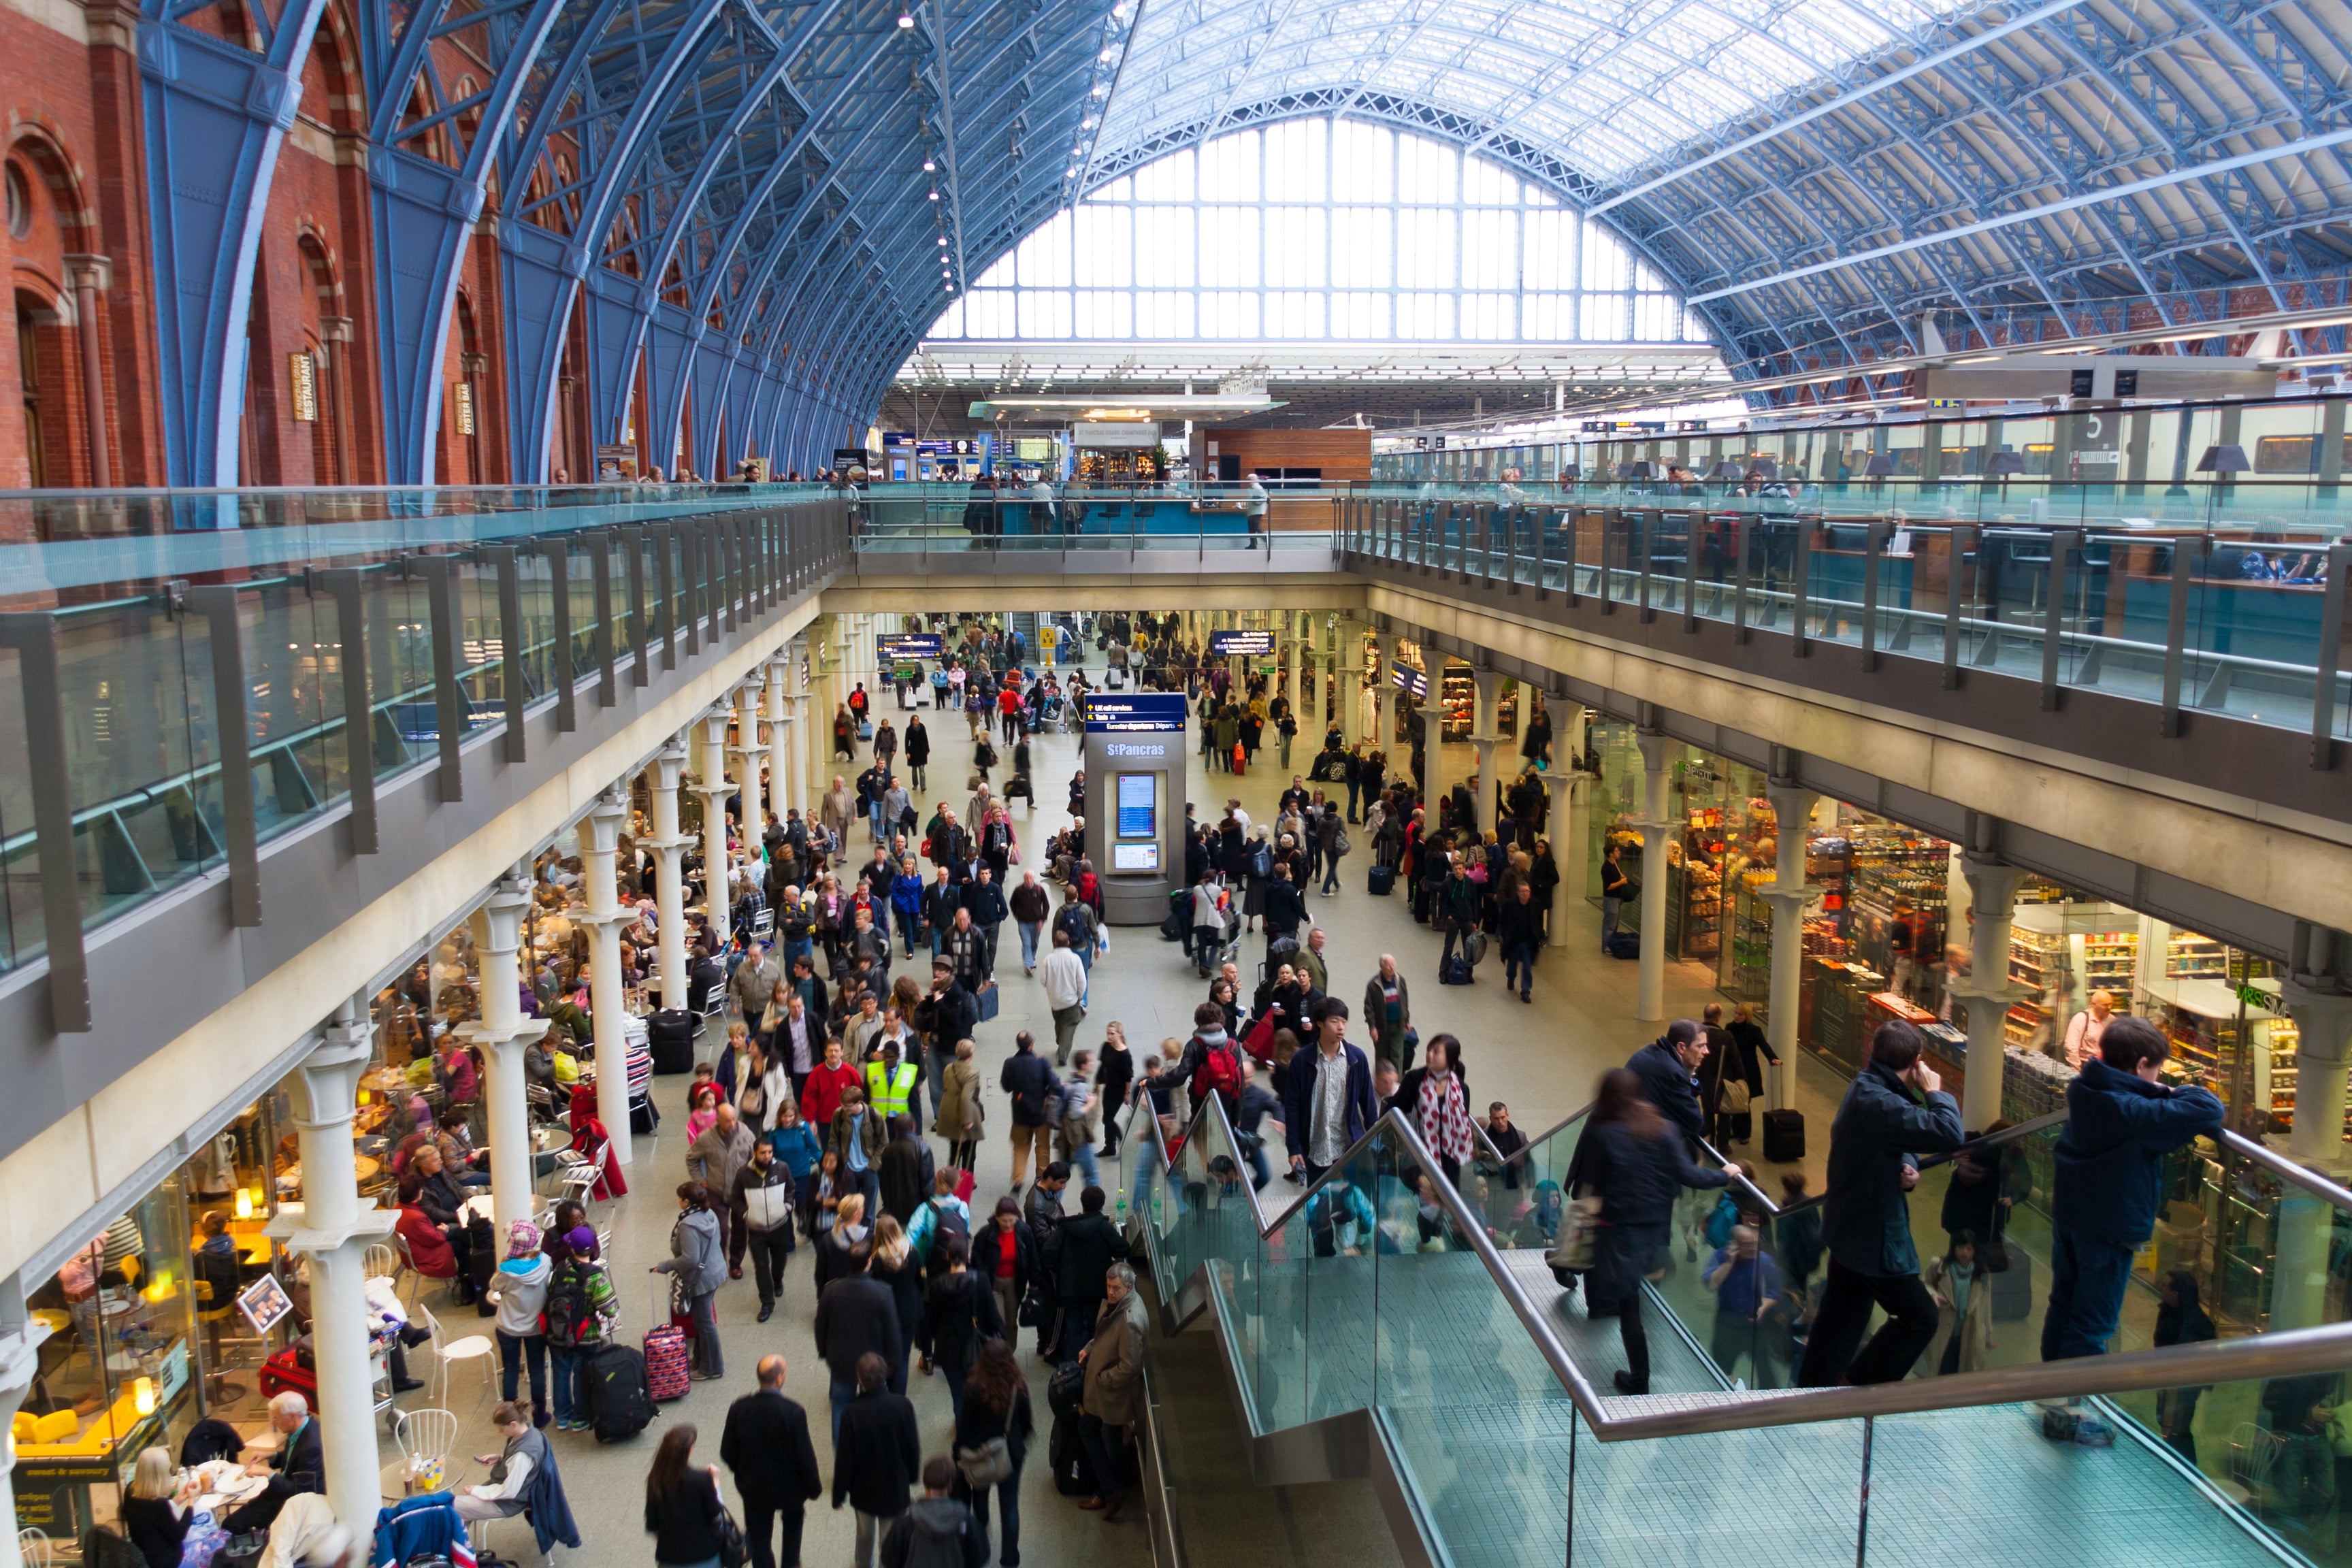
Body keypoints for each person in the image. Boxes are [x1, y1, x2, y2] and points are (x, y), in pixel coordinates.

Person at [2043, 1015, 2223, 1360]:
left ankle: (2048, 1390)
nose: (2159, 1078)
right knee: (2093, 1325)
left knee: (2063, 1303)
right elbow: (2208, 1107)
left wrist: (2149, 1090)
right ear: (2142, 1065)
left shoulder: (2084, 1087)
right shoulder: (2133, 1110)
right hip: (2110, 1226)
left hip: (2070, 1213)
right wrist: (2166, 1091)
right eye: (2157, 1070)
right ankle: (2071, 1401)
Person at [1797, 1021, 1965, 1388]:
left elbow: (1892, 1133)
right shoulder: (1879, 1101)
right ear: (1917, 1062)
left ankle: (1814, 1393)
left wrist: (1907, 1161)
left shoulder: (1867, 1088)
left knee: (1839, 1321)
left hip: (1848, 1229)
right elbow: (1949, 1133)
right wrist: (1935, 1092)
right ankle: (1857, 1389)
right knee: (1921, 1318)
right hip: (1872, 1237)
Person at [1573, 1066, 1730, 1394]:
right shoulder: (1664, 1128)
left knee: (1629, 1304)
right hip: (1654, 1229)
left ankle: (1639, 1377)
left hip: (1620, 1234)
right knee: (1632, 1300)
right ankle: (1640, 1372)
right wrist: (1725, 1174)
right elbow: (1690, 1174)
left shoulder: (1605, 1133)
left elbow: (1593, 1186)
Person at [721, 1354, 825, 1568]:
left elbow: (727, 1452)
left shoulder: (739, 1408)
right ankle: (791, 1562)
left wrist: (742, 1473)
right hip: (791, 1491)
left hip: (754, 1490)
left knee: (759, 1543)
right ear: (779, 1379)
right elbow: (805, 1457)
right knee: (793, 1527)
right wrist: (814, 1489)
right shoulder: (793, 1412)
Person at [455, 1399, 581, 1556]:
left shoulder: (522, 1455)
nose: (500, 1432)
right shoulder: (532, 1432)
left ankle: (457, 1553)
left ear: (513, 1424)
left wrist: (476, 1490)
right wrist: (501, 1458)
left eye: (502, 1429)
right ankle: (459, 1549)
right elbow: (522, 1467)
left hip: (507, 1502)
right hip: (511, 1492)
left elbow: (509, 1491)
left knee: (453, 1508)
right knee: (461, 1509)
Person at [834, 1352, 921, 1568]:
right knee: (890, 1538)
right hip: (895, 1486)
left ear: (859, 1380)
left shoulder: (852, 1413)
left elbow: (845, 1459)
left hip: (864, 1490)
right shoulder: (902, 1406)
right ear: (886, 1375)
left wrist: (839, 1494)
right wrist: (911, 1476)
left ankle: (863, 1564)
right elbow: (912, 1446)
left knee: (864, 1533)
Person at [951, 1337, 1032, 1566]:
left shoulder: (973, 1388)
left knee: (980, 1502)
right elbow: (1026, 1423)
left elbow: (964, 1428)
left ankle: (981, 1549)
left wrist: (957, 1452)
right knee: (1010, 1508)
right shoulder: (1019, 1386)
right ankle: (1010, 1559)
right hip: (1010, 1454)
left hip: (979, 1456)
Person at [1075, 1262, 1147, 1520]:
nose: (1111, 1292)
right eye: (1108, 1287)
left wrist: (1104, 1379)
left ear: (1129, 1287)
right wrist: (1091, 1347)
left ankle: (1111, 1491)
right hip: (1104, 1395)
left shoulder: (1131, 1321)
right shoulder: (1119, 1305)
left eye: (1116, 1288)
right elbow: (1105, 1335)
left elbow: (1130, 1366)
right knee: (1099, 1436)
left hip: (1112, 1396)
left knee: (1106, 1441)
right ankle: (1109, 1490)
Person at [815, 1243, 904, 1441]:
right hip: (874, 1364)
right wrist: (893, 1363)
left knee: (840, 1405)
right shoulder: (883, 1292)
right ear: (869, 1262)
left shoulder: (831, 1291)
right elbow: (892, 1331)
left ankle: (841, 1459)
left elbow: (820, 1326)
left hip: (841, 1362)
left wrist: (824, 1352)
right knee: (877, 1406)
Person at [1282, 999, 1377, 1183]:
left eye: (1344, 1022)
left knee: (1349, 1206)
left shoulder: (1356, 1059)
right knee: (1317, 1207)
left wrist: (1374, 1141)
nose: (1341, 1027)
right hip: (1315, 1149)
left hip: (1349, 1147)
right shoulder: (1302, 1061)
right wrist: (1293, 1148)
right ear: (1320, 1023)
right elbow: (1292, 1106)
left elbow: (1368, 1102)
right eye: (1334, 1022)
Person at [542, 1226, 619, 1431]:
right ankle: (580, 1418)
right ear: (592, 1248)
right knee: (581, 1374)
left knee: (560, 1371)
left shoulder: (559, 1269)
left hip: (558, 1331)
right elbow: (610, 1309)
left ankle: (562, 1417)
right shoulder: (595, 1277)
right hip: (585, 1335)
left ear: (571, 1248)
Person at [652, 1181, 728, 1381]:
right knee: (702, 1321)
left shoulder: (687, 1225)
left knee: (705, 1324)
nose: (678, 1201)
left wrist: (666, 1265)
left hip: (700, 1279)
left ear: (686, 1201)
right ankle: (701, 1360)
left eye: (680, 1198)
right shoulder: (708, 1214)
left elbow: (690, 1259)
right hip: (715, 1271)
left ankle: (712, 1368)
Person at [921, 1237, 1003, 1420]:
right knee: (981, 1393)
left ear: (947, 1256)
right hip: (977, 1348)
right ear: (967, 1255)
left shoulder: (937, 1285)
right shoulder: (980, 1280)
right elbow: (992, 1315)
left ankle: (962, 1431)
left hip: (948, 1349)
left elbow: (932, 1320)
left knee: (958, 1396)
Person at [218, 1391, 322, 1535]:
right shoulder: (302, 1428)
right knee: (236, 1518)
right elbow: (295, 1458)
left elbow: (300, 1492)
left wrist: (268, 1473)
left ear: (292, 1416)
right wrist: (270, 1455)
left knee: (230, 1525)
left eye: (277, 1418)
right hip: (279, 1492)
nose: (273, 1423)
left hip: (289, 1503)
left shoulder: (312, 1446)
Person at [481, 1221, 553, 1426]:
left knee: (511, 1370)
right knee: (537, 1370)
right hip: (536, 1327)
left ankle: (511, 1419)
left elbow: (494, 1285)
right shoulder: (545, 1261)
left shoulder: (506, 1270)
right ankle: (540, 1417)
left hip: (508, 1327)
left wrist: (504, 1262)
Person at [1052, 1185, 1128, 1362]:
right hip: (1097, 1289)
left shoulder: (1065, 1227)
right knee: (1098, 1328)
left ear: (1082, 1203)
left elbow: (1049, 1252)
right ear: (1101, 1205)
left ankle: (1071, 1369)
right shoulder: (1103, 1227)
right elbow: (1123, 1249)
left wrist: (1060, 1269)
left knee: (1073, 1329)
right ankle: (1093, 1365)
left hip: (1070, 1288)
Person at [1703, 1222, 1784, 1388]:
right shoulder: (1720, 1256)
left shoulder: (1764, 1261)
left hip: (1754, 1326)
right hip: (1726, 1324)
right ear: (1734, 1244)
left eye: (1755, 1244)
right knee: (1720, 1371)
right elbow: (1711, 1285)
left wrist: (1764, 1305)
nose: (1753, 1248)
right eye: (1747, 1245)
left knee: (1766, 1374)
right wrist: (1728, 1263)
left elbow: (1774, 1291)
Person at [644, 1423, 730, 1568]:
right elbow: (717, 1515)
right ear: (689, 1450)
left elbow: (652, 1524)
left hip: (669, 1558)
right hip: (704, 1557)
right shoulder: (702, 1479)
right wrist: (716, 1482)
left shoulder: (655, 1480)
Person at [735, 1136, 800, 1324]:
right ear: (755, 1153)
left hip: (780, 1226)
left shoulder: (782, 1168)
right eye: (763, 1152)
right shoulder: (743, 1174)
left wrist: (787, 1207)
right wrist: (746, 1214)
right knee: (761, 1267)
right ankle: (767, 1303)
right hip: (756, 1231)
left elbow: (791, 1189)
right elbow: (735, 1198)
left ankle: (778, 1280)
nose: (767, 1156)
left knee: (779, 1262)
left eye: (770, 1152)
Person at [2154, 1271, 2216, 1463]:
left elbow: (2210, 1354)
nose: (2161, 1288)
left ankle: (2186, 1470)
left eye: (2166, 1285)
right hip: (2167, 1376)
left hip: (2184, 1381)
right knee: (2165, 1421)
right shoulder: (2166, 1310)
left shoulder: (2196, 1321)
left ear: (2176, 1293)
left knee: (2178, 1428)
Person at [882, 1456, 988, 1568]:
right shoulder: (965, 1519)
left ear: (924, 1483)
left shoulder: (906, 1523)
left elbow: (889, 1559)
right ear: (950, 1486)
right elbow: (980, 1556)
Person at [1626, 1019, 1710, 1147]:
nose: (1706, 1051)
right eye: (1700, 1046)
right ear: (1681, 1047)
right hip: (1640, 1144)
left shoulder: (1647, 1053)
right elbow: (1695, 1123)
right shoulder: (1673, 1072)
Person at [122, 1446, 202, 1568]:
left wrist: (178, 1499)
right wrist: (191, 1501)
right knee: (210, 1541)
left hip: (143, 1556)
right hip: (166, 1562)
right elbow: (179, 1535)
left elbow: (153, 1519)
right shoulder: (160, 1505)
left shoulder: (130, 1491)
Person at [1000, 1030, 1060, 1189]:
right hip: (1041, 1114)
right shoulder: (1041, 1062)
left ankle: (1018, 1179)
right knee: (1042, 1148)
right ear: (1031, 1045)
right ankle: (1041, 1179)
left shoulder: (1010, 1063)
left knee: (1020, 1147)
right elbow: (1055, 1083)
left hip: (1020, 1115)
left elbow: (1006, 1087)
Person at [972, 1196, 1036, 1338]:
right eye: (1004, 1221)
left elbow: (1032, 1258)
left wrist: (1034, 1285)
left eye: (1011, 1221)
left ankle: (1008, 1352)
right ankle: (999, 1354)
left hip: (1014, 1282)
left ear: (1017, 1218)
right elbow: (977, 1262)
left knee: (1011, 1322)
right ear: (997, 1218)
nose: (1008, 1225)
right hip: (993, 1282)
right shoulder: (985, 1234)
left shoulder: (1024, 1232)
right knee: (998, 1321)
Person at [1039, 930, 1088, 1065]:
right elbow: (1082, 982)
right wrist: (1079, 995)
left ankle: (1060, 1040)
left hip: (1055, 1001)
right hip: (1071, 1001)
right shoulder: (1075, 959)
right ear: (1068, 943)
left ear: (1055, 943)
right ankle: (1063, 1054)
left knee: (1059, 1022)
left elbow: (1042, 980)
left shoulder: (1048, 960)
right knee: (1070, 1025)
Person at [1362, 955, 1412, 1070]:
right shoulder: (1374, 984)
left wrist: (1407, 1020)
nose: (1392, 968)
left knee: (1397, 1056)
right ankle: (1381, 1083)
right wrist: (1372, 1027)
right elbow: (1369, 1008)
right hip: (1382, 1028)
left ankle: (1396, 1084)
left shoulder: (1401, 981)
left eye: (1393, 965)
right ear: (1381, 966)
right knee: (1382, 1057)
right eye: (1388, 965)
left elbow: (1405, 1002)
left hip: (1398, 1025)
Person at [1498, 880, 1542, 1002]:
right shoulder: (1509, 905)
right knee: (1512, 965)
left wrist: (1539, 934)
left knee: (1527, 966)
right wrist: (1505, 936)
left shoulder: (1535, 904)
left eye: (1527, 891)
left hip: (1528, 942)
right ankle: (1511, 978)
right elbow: (1503, 922)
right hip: (1513, 942)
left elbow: (1538, 921)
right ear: (1517, 893)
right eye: (1522, 891)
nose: (1525, 894)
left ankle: (1525, 991)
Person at [1599, 840, 1629, 950]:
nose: (1618, 852)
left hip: (1616, 898)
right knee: (1610, 923)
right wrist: (1622, 882)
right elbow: (1609, 886)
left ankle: (1611, 943)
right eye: (1616, 851)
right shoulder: (1606, 868)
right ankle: (1606, 944)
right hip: (1610, 898)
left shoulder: (1615, 864)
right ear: (1611, 854)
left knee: (1614, 922)